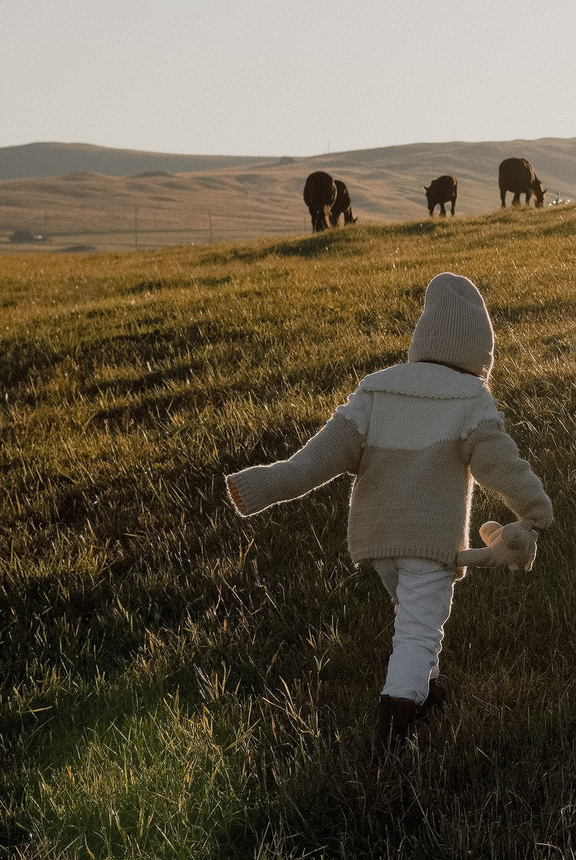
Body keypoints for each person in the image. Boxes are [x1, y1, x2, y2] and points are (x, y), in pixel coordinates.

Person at [224, 272, 553, 752]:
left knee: (414, 616)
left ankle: (428, 693)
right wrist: (535, 509)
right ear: (480, 355)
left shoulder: (376, 390)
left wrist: (263, 484)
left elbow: (317, 460)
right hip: (427, 539)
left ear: (424, 340)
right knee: (419, 629)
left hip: (377, 542)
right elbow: (500, 464)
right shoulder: (470, 400)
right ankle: (392, 737)